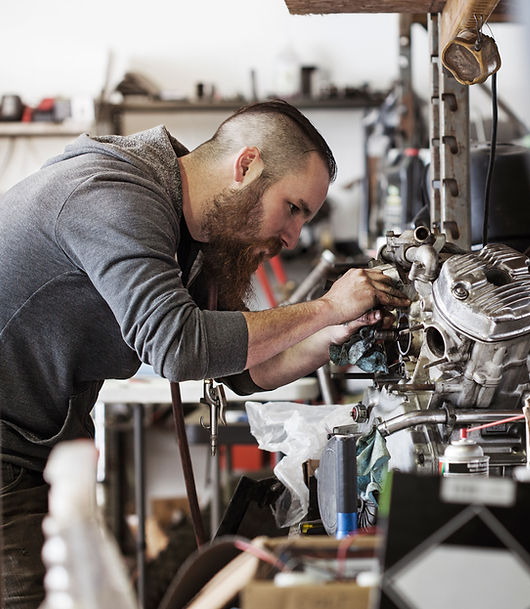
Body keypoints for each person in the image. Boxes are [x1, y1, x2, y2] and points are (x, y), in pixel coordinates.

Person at [0, 99, 409, 608]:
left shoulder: (187, 226)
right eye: (293, 209)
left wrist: (332, 335)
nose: (292, 236)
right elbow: (178, 346)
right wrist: (325, 308)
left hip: (33, 451)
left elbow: (244, 367)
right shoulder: (113, 195)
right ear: (246, 166)